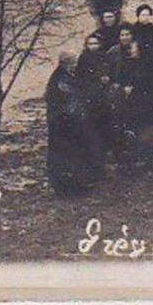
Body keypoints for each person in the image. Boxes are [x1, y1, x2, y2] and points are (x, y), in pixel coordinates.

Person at [45, 48, 102, 195]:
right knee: (65, 156)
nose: (76, 65)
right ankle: (67, 187)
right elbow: (69, 101)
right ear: (66, 63)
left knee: (74, 154)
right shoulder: (60, 80)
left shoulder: (66, 76)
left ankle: (76, 184)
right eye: (73, 62)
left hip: (67, 123)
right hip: (63, 124)